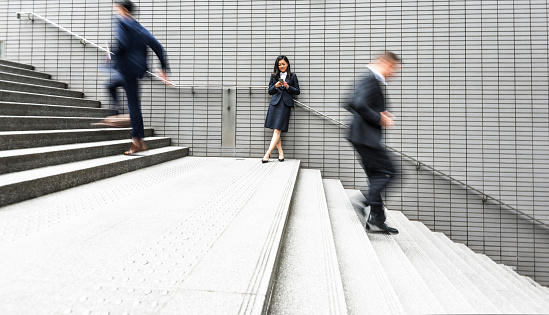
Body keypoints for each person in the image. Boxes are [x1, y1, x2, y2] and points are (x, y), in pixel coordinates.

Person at [345, 51, 401, 234]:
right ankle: (363, 200)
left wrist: (378, 115)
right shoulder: (371, 79)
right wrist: (379, 118)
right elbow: (357, 103)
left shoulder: (369, 79)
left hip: (361, 137)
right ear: (385, 63)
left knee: (376, 177)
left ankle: (377, 217)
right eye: (393, 69)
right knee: (394, 172)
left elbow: (349, 102)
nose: (393, 73)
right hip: (366, 139)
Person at [106, 0, 170, 155]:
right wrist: (163, 70)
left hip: (127, 69)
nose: (117, 11)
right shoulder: (140, 28)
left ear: (123, 10)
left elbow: (122, 44)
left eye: (118, 9)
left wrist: (111, 53)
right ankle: (139, 139)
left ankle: (121, 116)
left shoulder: (122, 23)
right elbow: (157, 46)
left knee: (117, 91)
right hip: (136, 70)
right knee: (130, 100)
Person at [262, 55, 300, 163]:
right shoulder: (274, 76)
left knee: (277, 129)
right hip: (274, 104)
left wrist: (288, 87)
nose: (281, 66)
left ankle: (267, 154)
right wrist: (276, 86)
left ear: (287, 64)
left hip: (285, 105)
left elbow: (297, 91)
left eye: (283, 64)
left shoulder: (292, 76)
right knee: (275, 130)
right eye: (279, 65)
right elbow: (270, 91)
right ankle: (281, 154)